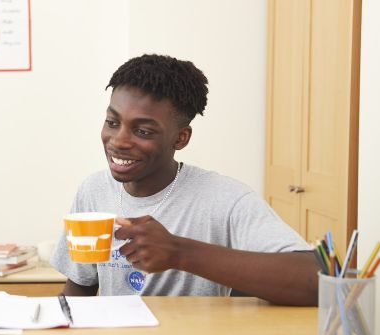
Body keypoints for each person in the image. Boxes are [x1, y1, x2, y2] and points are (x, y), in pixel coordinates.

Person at [50, 54, 318, 306]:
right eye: (112, 122)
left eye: (142, 131)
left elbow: (315, 279)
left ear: (181, 138)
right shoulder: (93, 190)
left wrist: (179, 252)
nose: (118, 141)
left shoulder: (225, 198)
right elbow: (80, 287)